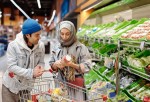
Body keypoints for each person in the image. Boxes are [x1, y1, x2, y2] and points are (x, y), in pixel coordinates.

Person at [2, 19, 45, 102]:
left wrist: (40, 68)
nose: (39, 38)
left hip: (26, 87)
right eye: (37, 35)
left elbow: (41, 62)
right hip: (10, 87)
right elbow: (11, 67)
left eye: (40, 35)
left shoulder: (41, 46)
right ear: (28, 35)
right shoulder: (13, 46)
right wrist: (32, 73)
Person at [49, 21, 91, 101]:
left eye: (67, 34)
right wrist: (56, 64)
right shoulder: (56, 47)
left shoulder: (80, 48)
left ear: (72, 33)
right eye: (62, 34)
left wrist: (72, 65)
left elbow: (88, 66)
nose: (64, 37)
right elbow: (52, 64)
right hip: (60, 84)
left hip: (76, 85)